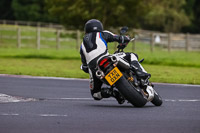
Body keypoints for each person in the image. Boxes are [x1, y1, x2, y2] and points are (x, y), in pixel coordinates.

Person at [80, 19, 150, 104]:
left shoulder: (82, 45)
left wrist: (86, 68)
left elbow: (84, 65)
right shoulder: (103, 34)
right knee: (131, 55)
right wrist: (126, 38)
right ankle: (141, 73)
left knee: (96, 94)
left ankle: (113, 93)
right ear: (100, 27)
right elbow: (118, 38)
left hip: (95, 69)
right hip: (106, 58)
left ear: (86, 30)